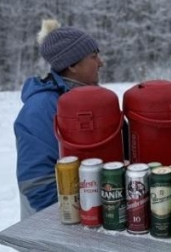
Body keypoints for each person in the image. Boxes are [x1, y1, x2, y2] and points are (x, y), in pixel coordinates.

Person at [14, 19, 105, 219]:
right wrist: (76, 218)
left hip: (93, 214)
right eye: (93, 56)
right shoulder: (40, 108)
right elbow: (36, 183)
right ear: (72, 65)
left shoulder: (93, 99)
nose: (101, 62)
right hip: (59, 226)